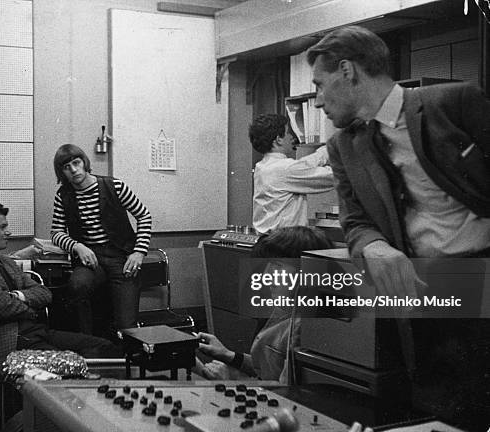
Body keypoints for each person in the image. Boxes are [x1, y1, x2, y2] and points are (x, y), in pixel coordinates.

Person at [306, 25, 490, 427]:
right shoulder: (343, 146)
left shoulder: (455, 102)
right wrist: (374, 247)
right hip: (422, 294)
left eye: (320, 85)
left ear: (348, 71)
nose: (318, 100)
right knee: (434, 409)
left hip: (481, 279)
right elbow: (354, 220)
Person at [0, 202, 121, 366]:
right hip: (6, 340)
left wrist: (18, 296)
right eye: (2, 227)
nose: (8, 232)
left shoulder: (4, 261)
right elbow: (3, 307)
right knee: (67, 365)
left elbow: (43, 292)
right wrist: (32, 308)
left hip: (34, 332)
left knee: (104, 347)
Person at [196, 226, 333, 383]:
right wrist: (228, 355)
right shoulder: (285, 309)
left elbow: (286, 393)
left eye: (278, 266)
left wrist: (232, 381)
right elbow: (268, 368)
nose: (267, 274)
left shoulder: (304, 327)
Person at [51, 144, 152, 335]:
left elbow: (144, 215)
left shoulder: (114, 186)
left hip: (120, 257)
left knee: (126, 326)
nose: (73, 170)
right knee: (77, 286)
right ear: (62, 172)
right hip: (90, 258)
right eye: (66, 167)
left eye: (76, 163)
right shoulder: (63, 196)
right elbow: (56, 232)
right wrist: (77, 246)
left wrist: (139, 251)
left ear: (84, 162)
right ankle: (89, 345)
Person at [250, 114, 334, 234]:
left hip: (269, 241)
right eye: (288, 132)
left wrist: (329, 148)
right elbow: (332, 177)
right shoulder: (285, 169)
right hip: (285, 242)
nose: (292, 137)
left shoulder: (262, 167)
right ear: (278, 139)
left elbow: (303, 166)